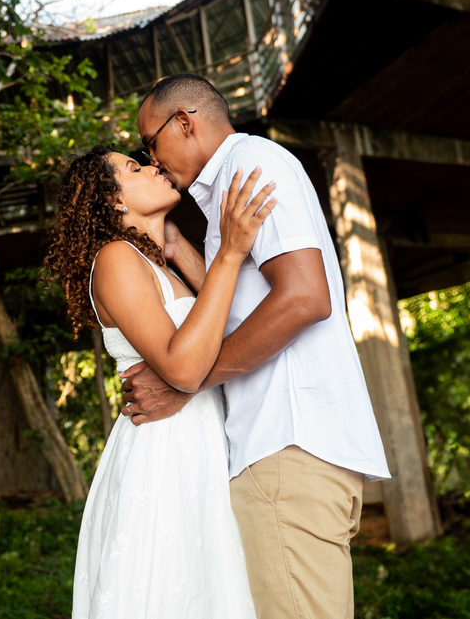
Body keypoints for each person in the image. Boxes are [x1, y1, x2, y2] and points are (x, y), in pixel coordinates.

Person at [122, 72, 390, 619]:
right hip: (287, 449)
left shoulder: (251, 167)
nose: (151, 160)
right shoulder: (231, 186)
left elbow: (304, 298)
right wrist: (183, 254)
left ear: (185, 122)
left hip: (286, 447)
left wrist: (185, 383)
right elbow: (249, 304)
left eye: (149, 143)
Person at [46, 145, 276, 618]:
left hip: (201, 445)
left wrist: (173, 242)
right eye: (134, 167)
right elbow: (185, 367)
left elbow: (229, 333)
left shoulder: (156, 264)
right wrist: (230, 252)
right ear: (113, 200)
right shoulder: (115, 258)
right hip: (164, 451)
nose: (153, 165)